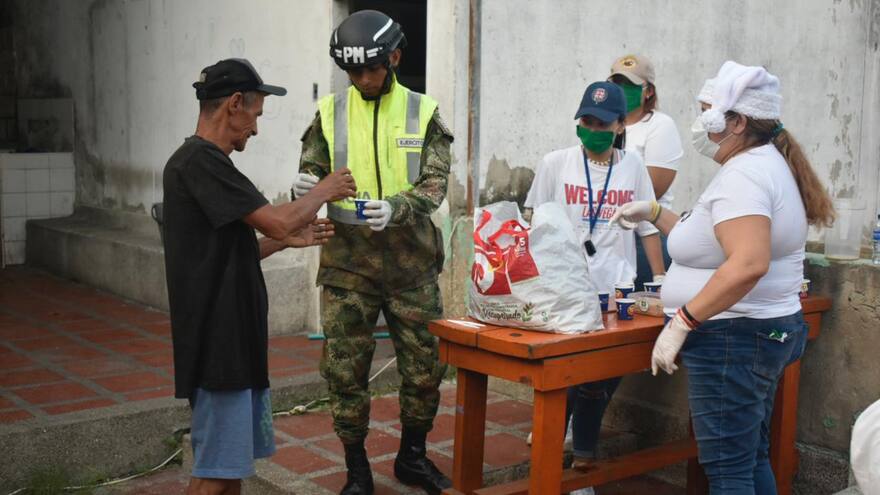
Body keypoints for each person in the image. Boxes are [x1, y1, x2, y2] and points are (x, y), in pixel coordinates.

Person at [612, 61, 835, 494]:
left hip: (732, 338)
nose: (699, 121)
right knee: (748, 457)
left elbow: (748, 262)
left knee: (729, 470)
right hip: (757, 332)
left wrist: (683, 321)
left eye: (707, 109)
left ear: (737, 121)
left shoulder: (745, 174)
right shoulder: (765, 163)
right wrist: (656, 213)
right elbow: (712, 242)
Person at [163, 58, 356, 495]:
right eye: (256, 115)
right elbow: (277, 221)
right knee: (213, 474)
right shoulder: (198, 161)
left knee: (230, 471)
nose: (255, 129)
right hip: (220, 349)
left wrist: (289, 240)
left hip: (235, 344)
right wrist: (326, 188)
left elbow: (238, 247)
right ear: (234, 104)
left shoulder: (209, 164)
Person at [292, 10, 453, 495]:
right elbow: (312, 170)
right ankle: (357, 470)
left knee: (425, 368)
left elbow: (436, 181)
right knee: (345, 371)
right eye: (354, 71)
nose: (363, 79)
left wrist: (401, 206)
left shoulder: (423, 112)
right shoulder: (329, 112)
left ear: (394, 58)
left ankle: (412, 456)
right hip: (347, 266)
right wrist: (307, 185)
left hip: (412, 265)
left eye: (371, 68)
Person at [524, 81, 666, 495]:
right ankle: (579, 461)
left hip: (616, 288)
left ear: (621, 125)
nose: (593, 128)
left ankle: (570, 443)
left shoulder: (633, 166)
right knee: (571, 372)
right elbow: (536, 224)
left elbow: (647, 225)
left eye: (603, 122)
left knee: (605, 374)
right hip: (565, 289)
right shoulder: (555, 163)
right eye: (586, 120)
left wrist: (658, 281)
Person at [608, 54, 683, 290]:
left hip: (644, 239)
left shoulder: (659, 126)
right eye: (616, 85)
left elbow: (651, 190)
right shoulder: (603, 123)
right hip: (606, 235)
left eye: (630, 85)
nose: (621, 91)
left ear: (648, 91)